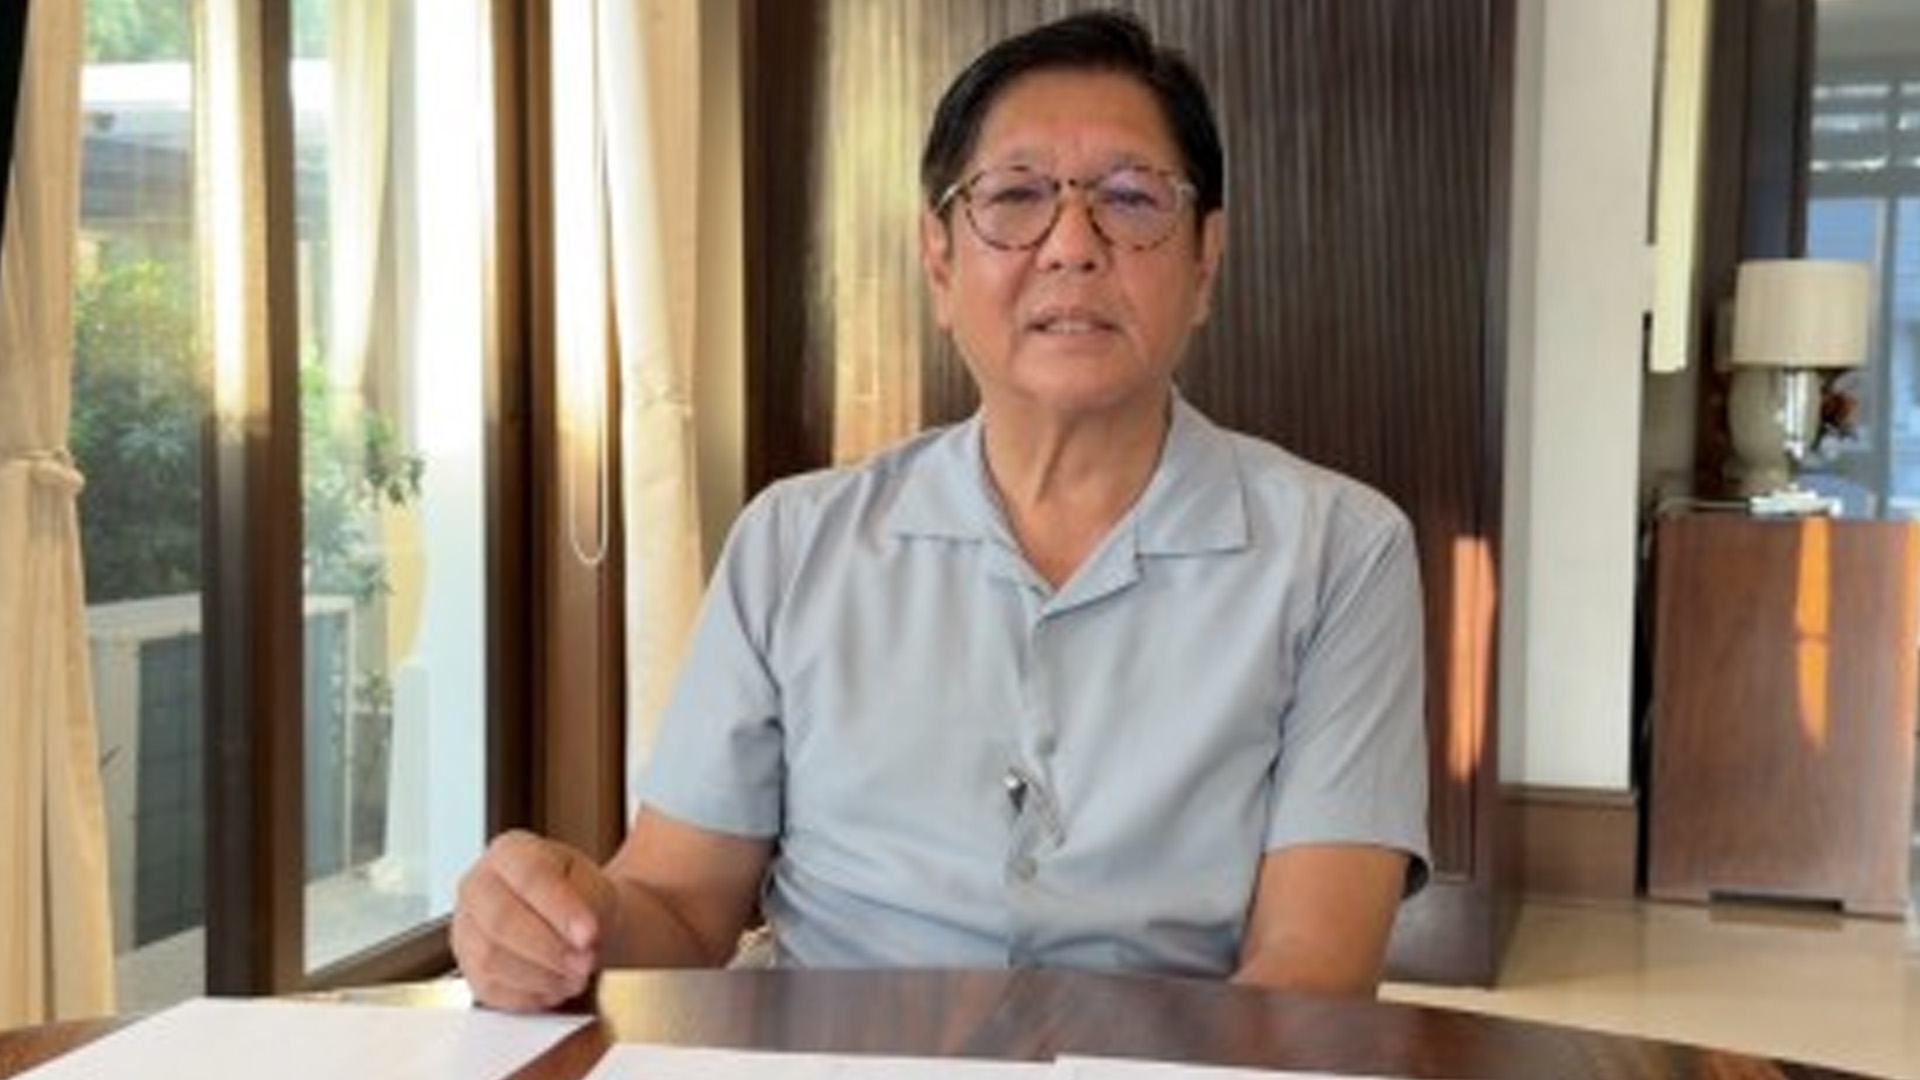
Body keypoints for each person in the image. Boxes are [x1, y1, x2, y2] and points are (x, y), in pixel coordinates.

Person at [452, 8, 1429, 1012]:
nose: (1072, 245)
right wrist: (559, 922)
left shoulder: (1341, 554)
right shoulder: (793, 542)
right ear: (940, 262)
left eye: (1132, 199)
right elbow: (678, 907)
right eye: (1016, 196)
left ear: (1205, 260)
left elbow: (1310, 972)